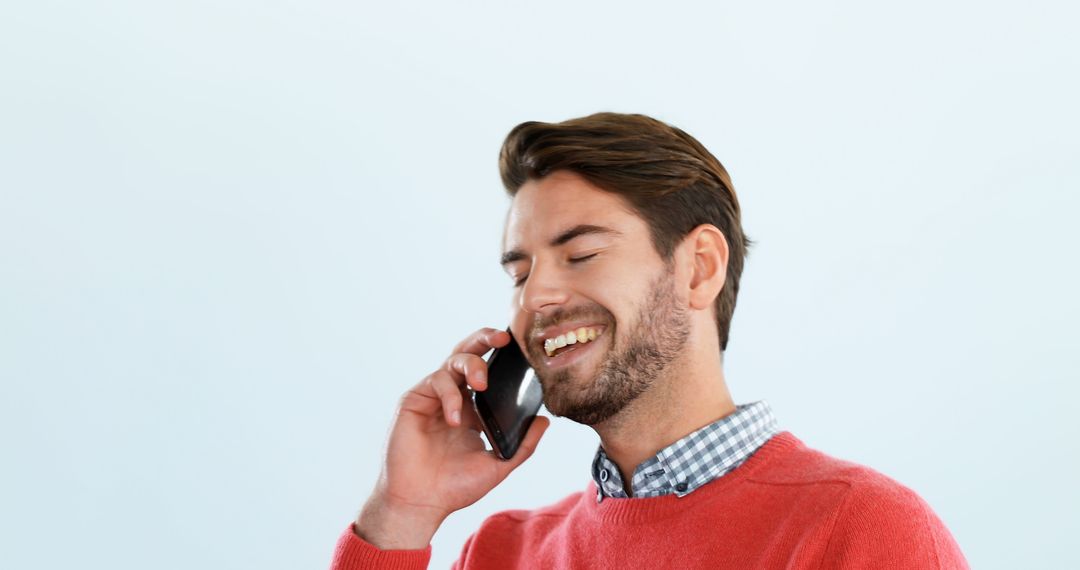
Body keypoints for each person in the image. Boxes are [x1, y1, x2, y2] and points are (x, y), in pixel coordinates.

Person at [329, 113, 970, 569]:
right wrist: (400, 515)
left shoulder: (862, 531)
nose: (535, 299)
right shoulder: (503, 553)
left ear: (699, 268)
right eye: (519, 274)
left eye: (580, 254)